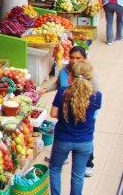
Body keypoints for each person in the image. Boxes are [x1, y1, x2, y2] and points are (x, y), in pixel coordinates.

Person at [45, 61, 102, 195]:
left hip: (63, 139)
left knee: (55, 169)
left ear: (71, 76)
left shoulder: (63, 92)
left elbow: (53, 114)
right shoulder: (97, 96)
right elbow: (93, 113)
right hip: (85, 142)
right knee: (78, 174)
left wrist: (66, 113)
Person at [39, 46, 99, 176]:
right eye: (72, 57)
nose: (74, 60)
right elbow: (57, 84)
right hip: (66, 113)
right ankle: (62, 157)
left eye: (78, 58)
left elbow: (95, 94)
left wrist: (90, 116)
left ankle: (88, 164)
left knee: (84, 139)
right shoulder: (64, 71)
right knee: (64, 137)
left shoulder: (89, 75)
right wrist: (44, 90)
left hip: (83, 115)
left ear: (85, 59)